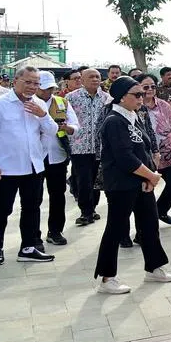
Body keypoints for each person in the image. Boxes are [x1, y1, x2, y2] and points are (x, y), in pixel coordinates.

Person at [94, 76, 171, 294]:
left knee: (149, 225)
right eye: (137, 94)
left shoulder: (133, 116)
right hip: (121, 184)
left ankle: (154, 267)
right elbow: (125, 158)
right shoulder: (113, 121)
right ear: (122, 97)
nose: (142, 98)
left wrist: (149, 176)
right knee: (116, 228)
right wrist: (151, 176)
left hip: (141, 181)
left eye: (143, 94)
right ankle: (107, 277)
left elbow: (145, 149)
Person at [0, 66, 58, 265]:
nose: (32, 86)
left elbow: (52, 131)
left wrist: (43, 115)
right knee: (3, 208)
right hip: (7, 167)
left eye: (36, 83)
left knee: (32, 207)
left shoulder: (39, 104)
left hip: (34, 166)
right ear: (15, 81)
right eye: (28, 82)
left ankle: (28, 247)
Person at [35, 71, 78, 246]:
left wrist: (69, 128)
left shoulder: (62, 102)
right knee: (33, 199)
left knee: (58, 196)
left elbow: (75, 125)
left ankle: (55, 231)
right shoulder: (28, 103)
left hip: (57, 156)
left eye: (50, 88)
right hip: (35, 157)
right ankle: (32, 236)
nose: (48, 92)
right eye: (44, 89)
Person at [66, 68, 110, 226]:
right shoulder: (71, 98)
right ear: (82, 80)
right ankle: (85, 211)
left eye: (97, 77)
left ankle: (93, 208)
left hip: (101, 148)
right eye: (91, 77)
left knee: (96, 180)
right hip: (79, 147)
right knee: (83, 179)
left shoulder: (107, 99)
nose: (95, 79)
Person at [138, 74, 171, 225]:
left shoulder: (164, 105)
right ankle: (144, 226)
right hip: (145, 157)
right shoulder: (134, 107)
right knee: (146, 191)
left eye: (152, 86)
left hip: (168, 153)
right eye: (146, 87)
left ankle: (161, 210)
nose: (150, 89)